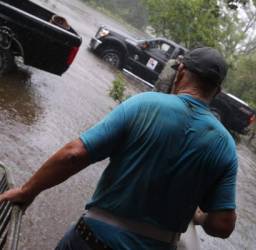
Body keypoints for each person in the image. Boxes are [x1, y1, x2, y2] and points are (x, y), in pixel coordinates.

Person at [0, 47, 238, 250]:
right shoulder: (225, 145)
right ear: (216, 92)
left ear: (181, 73)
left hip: (93, 240)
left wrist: (27, 191)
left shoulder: (144, 104)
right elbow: (223, 225)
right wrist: (201, 216)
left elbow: (74, 155)